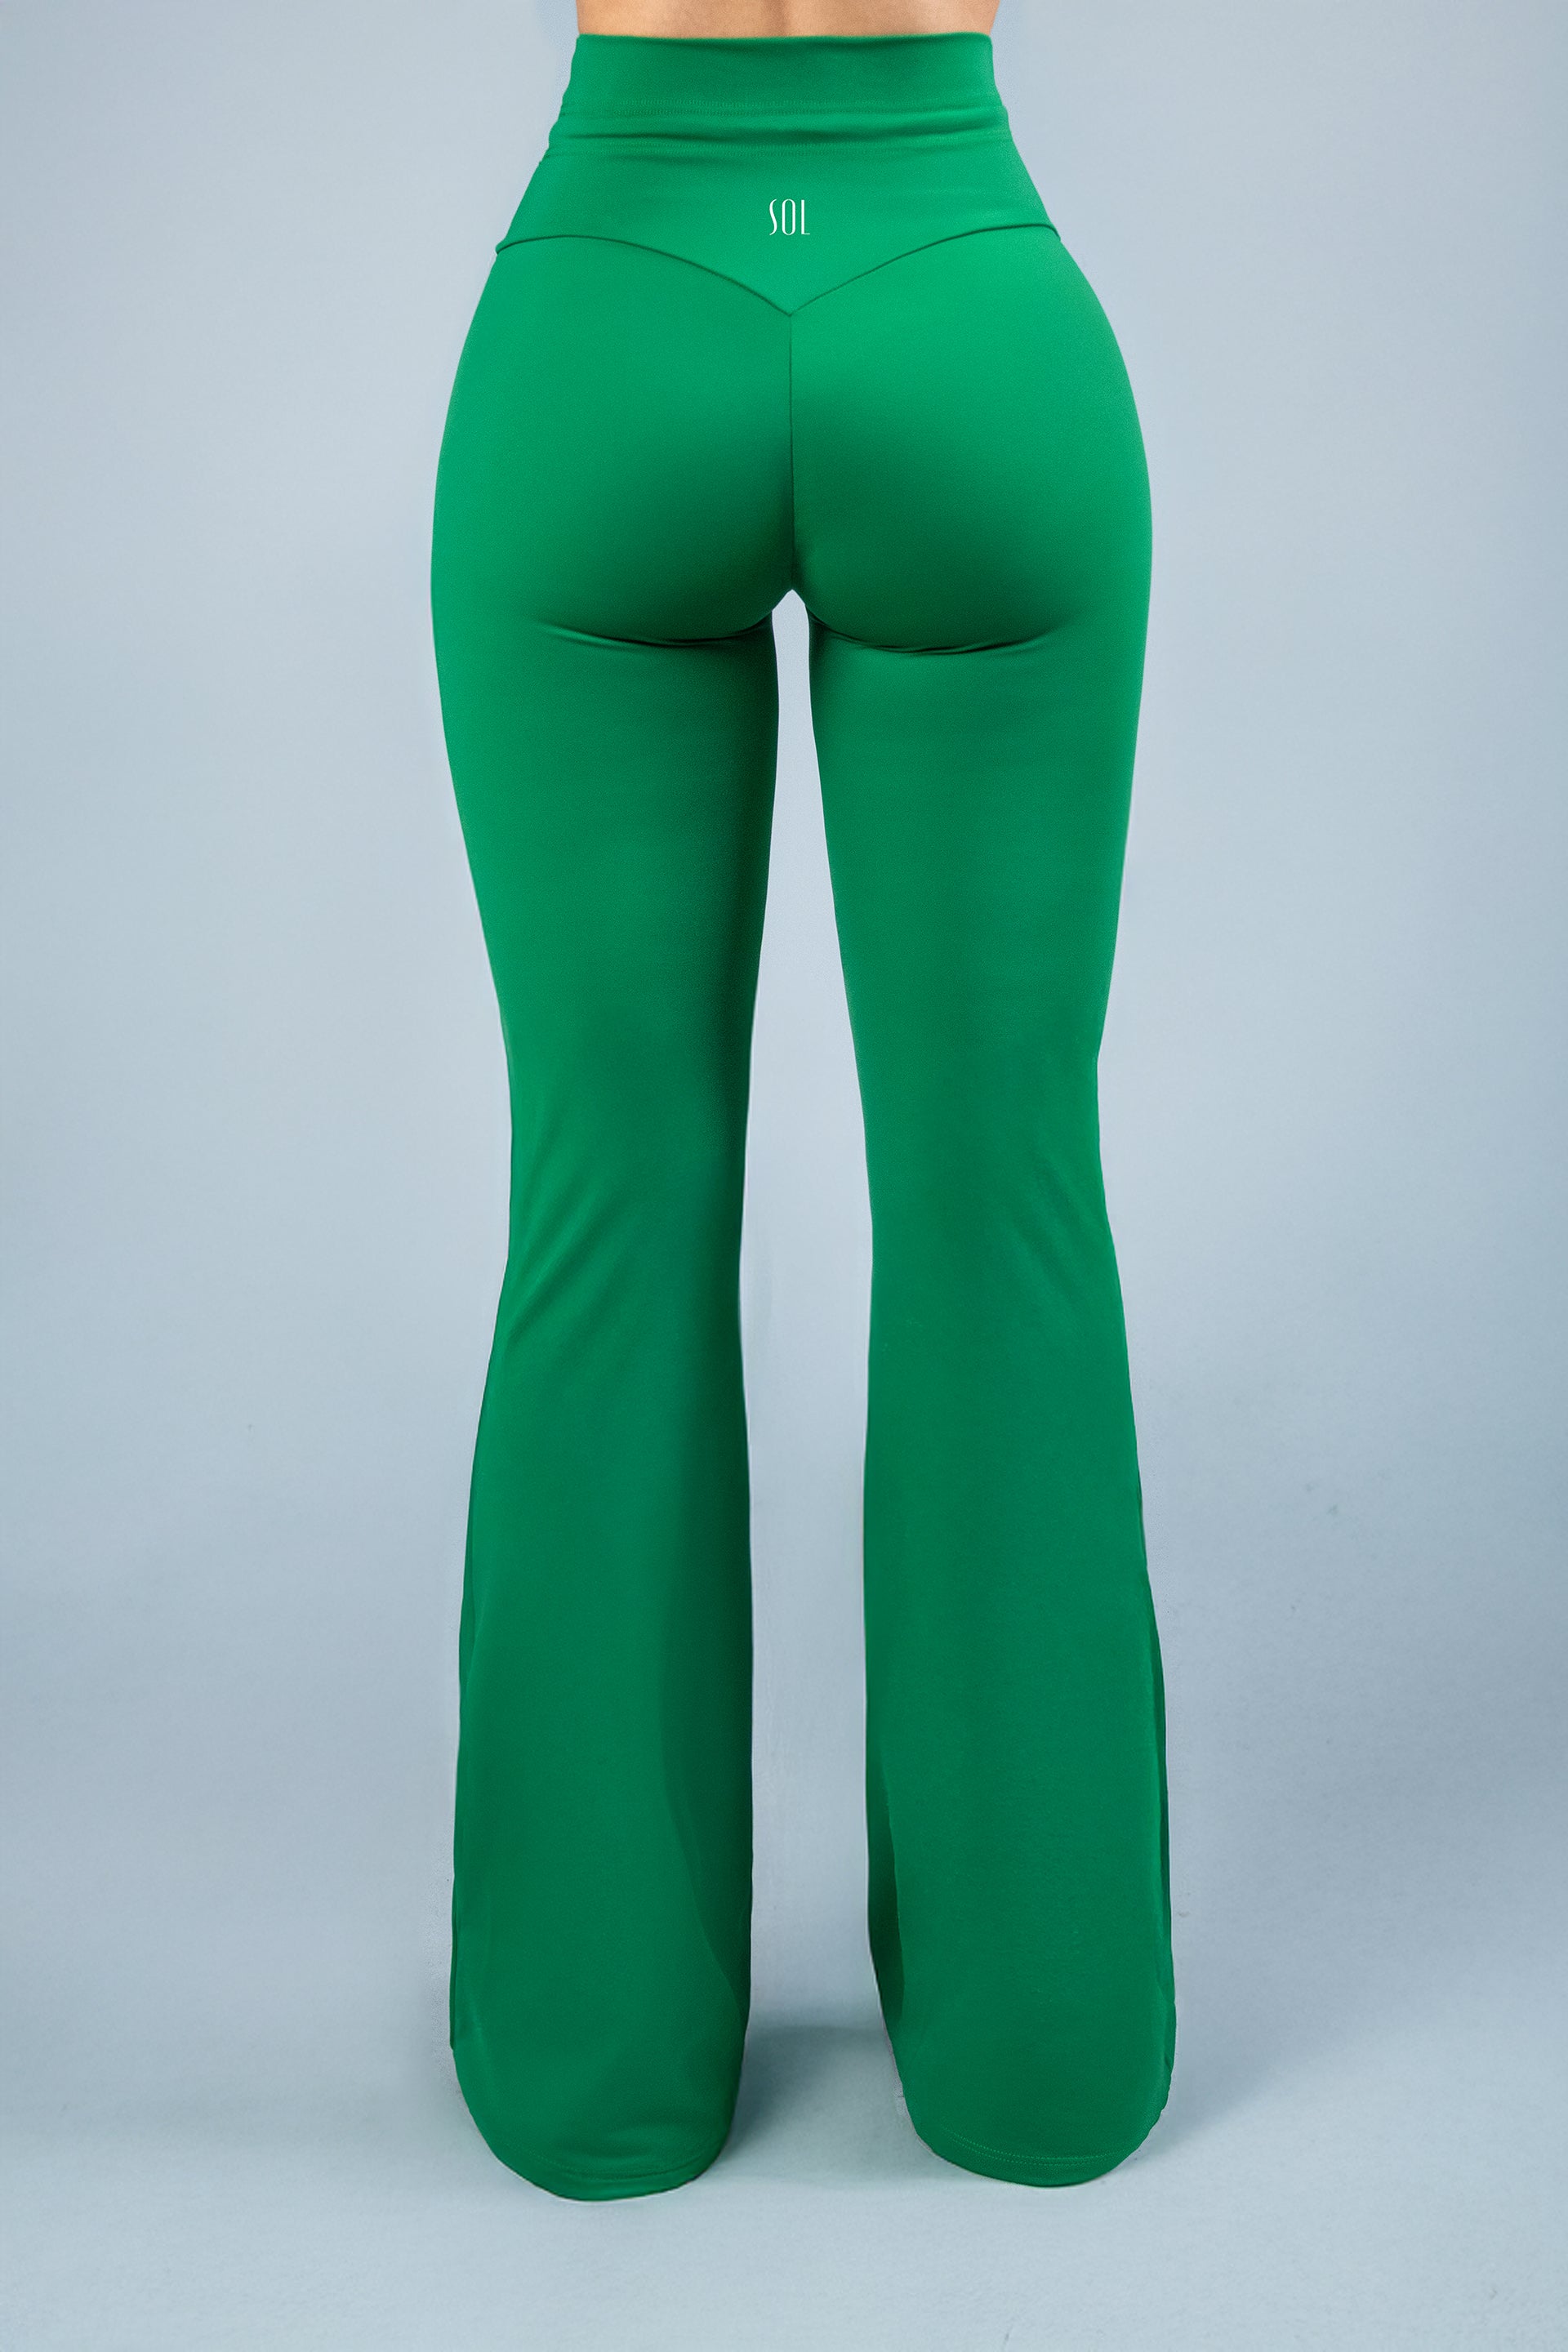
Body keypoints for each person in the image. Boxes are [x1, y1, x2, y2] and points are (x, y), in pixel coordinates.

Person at [430, 0, 1176, 2200]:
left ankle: (592, 2076)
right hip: (970, 309)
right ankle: (1046, 2064)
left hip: (607, 313)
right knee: (1000, 1196)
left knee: (608, 1197)